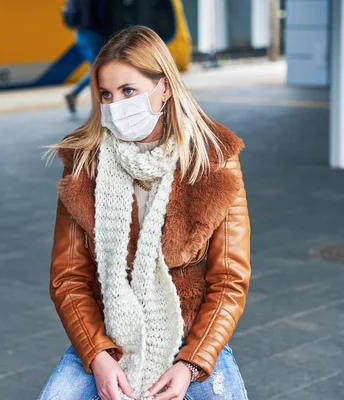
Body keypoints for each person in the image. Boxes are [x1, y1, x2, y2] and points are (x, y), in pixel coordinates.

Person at [40, 25, 251, 400]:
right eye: (106, 94)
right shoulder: (84, 162)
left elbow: (229, 280)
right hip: (107, 337)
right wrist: (99, 356)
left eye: (128, 91)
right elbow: (68, 278)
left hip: (192, 341)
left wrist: (191, 364)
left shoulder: (214, 160)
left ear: (164, 88)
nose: (115, 106)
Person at [64, 0, 108, 114]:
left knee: (94, 68)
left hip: (79, 34)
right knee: (97, 69)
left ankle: (74, 94)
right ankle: (98, 106)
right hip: (93, 34)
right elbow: (101, 14)